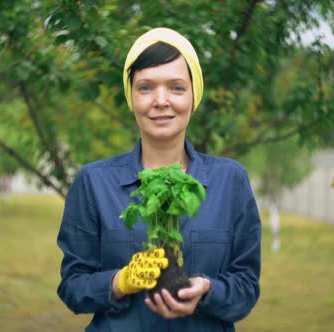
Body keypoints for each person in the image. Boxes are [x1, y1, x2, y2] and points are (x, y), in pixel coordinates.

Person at [57, 27, 261, 331]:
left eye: (177, 88)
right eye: (145, 87)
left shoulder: (230, 181)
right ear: (131, 97)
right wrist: (119, 282)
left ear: (194, 96)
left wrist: (208, 289)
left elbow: (246, 287)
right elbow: (73, 287)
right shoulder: (93, 182)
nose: (161, 100)